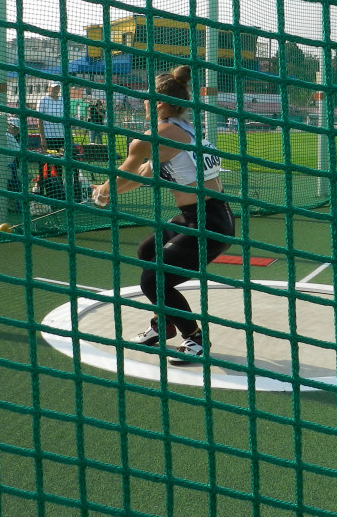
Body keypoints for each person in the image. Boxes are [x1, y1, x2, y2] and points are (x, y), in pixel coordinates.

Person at [90, 65, 233, 361]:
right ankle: (164, 323)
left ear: (159, 103)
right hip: (206, 215)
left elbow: (123, 174)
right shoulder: (184, 130)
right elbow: (142, 174)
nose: (144, 102)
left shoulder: (155, 136)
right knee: (147, 251)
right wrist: (107, 192)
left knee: (153, 280)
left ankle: (195, 338)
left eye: (147, 98)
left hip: (208, 222)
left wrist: (103, 193)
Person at [36, 82, 68, 153]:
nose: (56, 90)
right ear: (48, 88)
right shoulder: (43, 100)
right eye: (54, 88)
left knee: (61, 157)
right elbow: (39, 120)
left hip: (62, 136)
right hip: (48, 136)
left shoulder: (63, 100)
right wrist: (42, 138)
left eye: (58, 88)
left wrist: (69, 135)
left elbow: (67, 120)